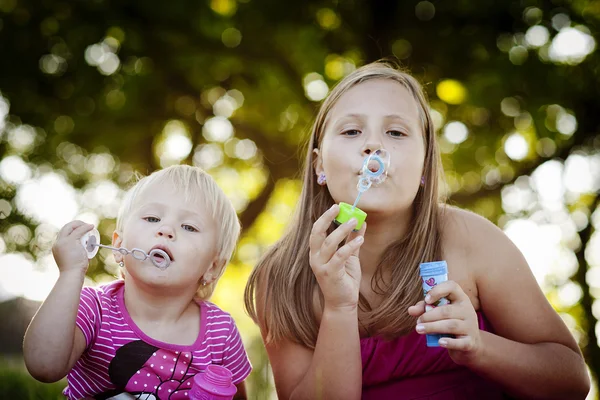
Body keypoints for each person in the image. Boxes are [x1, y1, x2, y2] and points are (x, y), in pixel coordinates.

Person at [244, 61, 590, 399]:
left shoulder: (469, 239)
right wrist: (339, 308)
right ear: (319, 164)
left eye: (395, 132)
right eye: (352, 131)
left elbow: (572, 381)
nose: (373, 146)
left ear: (425, 166)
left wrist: (478, 346)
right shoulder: (284, 275)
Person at [24, 165, 252, 400]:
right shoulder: (94, 308)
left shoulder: (220, 333)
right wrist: (70, 273)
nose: (166, 230)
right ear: (119, 245)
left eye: (189, 227)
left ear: (211, 267)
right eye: (152, 218)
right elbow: (44, 366)